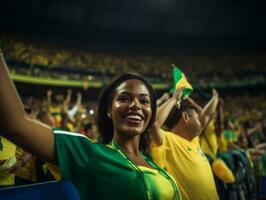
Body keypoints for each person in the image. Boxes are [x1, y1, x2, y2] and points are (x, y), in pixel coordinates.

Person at [0, 48, 181, 200]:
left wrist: (174, 98)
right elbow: (15, 124)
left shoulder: (152, 162)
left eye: (144, 101)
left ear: (151, 114)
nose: (135, 105)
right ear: (109, 110)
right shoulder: (89, 154)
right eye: (124, 98)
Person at [151, 89, 219, 200]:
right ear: (186, 117)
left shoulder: (194, 141)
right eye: (197, 118)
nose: (201, 123)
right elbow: (153, 124)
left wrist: (215, 99)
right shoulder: (168, 139)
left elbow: (206, 114)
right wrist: (173, 99)